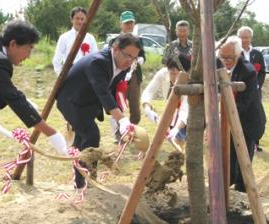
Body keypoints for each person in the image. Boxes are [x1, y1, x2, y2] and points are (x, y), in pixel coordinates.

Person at [56, 33, 142, 189]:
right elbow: (103, 92)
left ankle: (83, 179)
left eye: (134, 57)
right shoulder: (98, 62)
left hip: (88, 103)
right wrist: (122, 120)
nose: (130, 61)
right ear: (115, 49)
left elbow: (114, 92)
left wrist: (122, 119)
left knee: (82, 140)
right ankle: (86, 179)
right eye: (127, 55)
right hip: (71, 101)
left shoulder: (123, 65)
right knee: (91, 135)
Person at [0, 20, 67, 155]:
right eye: (29, 48)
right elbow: (13, 98)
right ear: (13, 44)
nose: (29, 56)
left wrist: (23, 101)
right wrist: (51, 134)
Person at [218, 36, 266, 192]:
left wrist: (222, 117)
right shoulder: (218, 64)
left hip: (248, 121)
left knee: (243, 158)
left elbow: (243, 103)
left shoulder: (248, 71)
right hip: (230, 119)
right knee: (229, 156)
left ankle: (242, 191)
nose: (226, 60)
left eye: (230, 57)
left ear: (238, 54)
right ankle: (228, 183)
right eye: (223, 57)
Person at [108, 11, 145, 142]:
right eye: (126, 23)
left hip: (134, 77)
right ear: (121, 24)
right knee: (118, 105)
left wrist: (138, 61)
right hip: (119, 78)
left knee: (135, 106)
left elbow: (143, 57)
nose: (129, 25)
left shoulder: (139, 40)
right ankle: (118, 134)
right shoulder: (114, 40)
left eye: (131, 23)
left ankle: (132, 132)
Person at [141, 55, 191, 150]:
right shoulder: (163, 74)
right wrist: (147, 108)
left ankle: (180, 151)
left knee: (180, 135)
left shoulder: (188, 82)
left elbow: (184, 109)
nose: (175, 77)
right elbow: (149, 91)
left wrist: (177, 128)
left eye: (177, 74)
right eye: (172, 73)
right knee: (169, 133)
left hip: (190, 109)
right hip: (172, 107)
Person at [237, 26, 266, 152]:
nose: (244, 40)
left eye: (247, 37)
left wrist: (257, 85)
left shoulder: (257, 54)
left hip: (255, 91)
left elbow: (263, 72)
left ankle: (255, 142)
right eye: (242, 37)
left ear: (251, 38)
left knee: (256, 114)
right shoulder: (236, 52)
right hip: (240, 91)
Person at [52, 6, 98, 75]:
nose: (80, 21)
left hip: (87, 74)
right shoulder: (64, 37)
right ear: (71, 20)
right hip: (70, 73)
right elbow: (56, 60)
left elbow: (96, 58)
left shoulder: (90, 38)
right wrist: (61, 76)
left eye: (82, 19)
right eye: (77, 18)